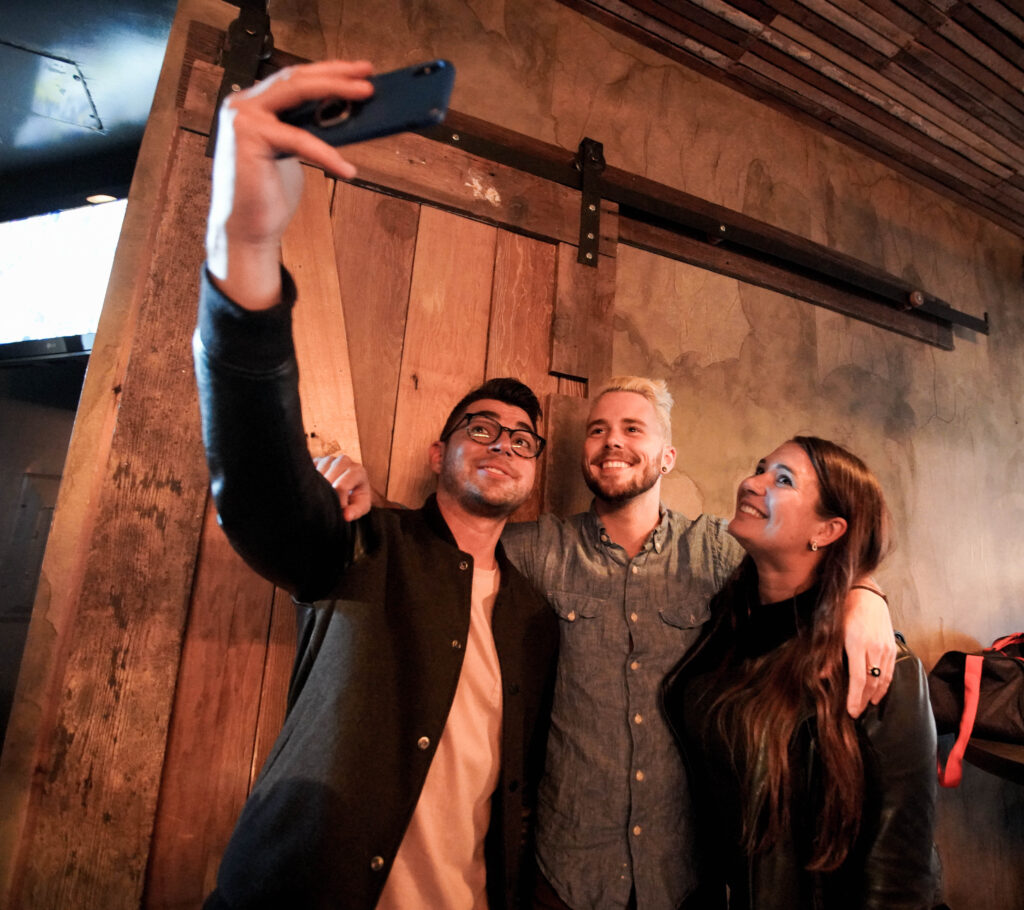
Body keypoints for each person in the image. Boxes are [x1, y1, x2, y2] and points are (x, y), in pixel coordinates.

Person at [193, 59, 558, 909]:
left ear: (537, 473)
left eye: (522, 439)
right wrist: (244, 246)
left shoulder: (537, 618)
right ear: (439, 453)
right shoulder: (361, 538)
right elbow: (255, 490)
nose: (501, 443)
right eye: (479, 427)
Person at [327, 378, 899, 909]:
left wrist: (865, 594)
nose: (611, 442)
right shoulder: (538, 549)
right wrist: (371, 500)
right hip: (565, 874)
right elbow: (445, 538)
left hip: (683, 877)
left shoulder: (718, 554)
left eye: (632, 429)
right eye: (597, 430)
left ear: (667, 457)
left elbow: (805, 578)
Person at [662, 437, 937, 909]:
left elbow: (898, 880)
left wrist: (864, 592)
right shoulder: (728, 621)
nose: (751, 483)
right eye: (760, 468)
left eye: (782, 480)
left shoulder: (879, 669)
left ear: (827, 530)